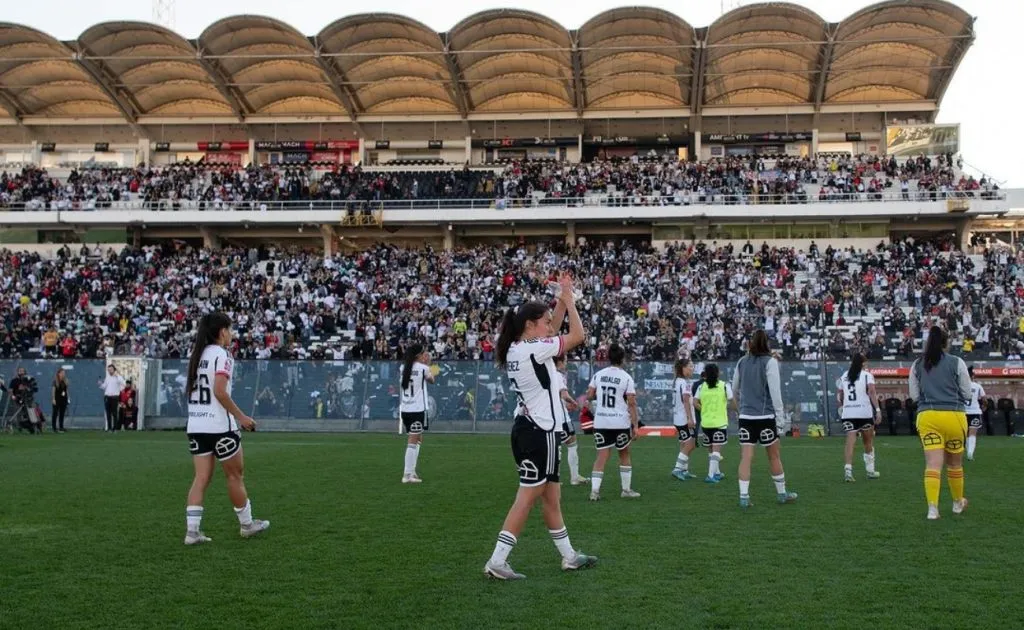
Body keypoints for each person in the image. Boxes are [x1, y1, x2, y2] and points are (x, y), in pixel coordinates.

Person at [483, 273, 596, 580]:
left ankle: (569, 556)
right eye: (544, 321)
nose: (549, 326)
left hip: (531, 429)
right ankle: (497, 561)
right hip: (539, 432)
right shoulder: (533, 349)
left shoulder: (519, 347)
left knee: (551, 497)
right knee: (527, 497)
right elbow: (577, 336)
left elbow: (555, 332)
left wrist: (562, 298)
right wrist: (570, 303)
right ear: (530, 326)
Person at [183, 311, 269, 545]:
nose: (231, 334)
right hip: (220, 426)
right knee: (234, 475)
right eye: (229, 330)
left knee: (200, 478)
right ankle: (247, 524)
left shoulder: (196, 356)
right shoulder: (222, 356)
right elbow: (219, 391)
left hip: (196, 424)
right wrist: (241, 417)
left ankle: (192, 532)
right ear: (222, 331)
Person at [909, 326, 971, 520]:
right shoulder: (957, 362)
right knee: (954, 464)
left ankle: (932, 509)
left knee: (933, 464)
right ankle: (957, 502)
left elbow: (914, 396)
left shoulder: (917, 364)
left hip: (928, 416)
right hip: (954, 416)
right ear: (946, 343)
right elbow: (968, 393)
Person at [732, 330, 797, 508]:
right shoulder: (770, 362)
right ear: (767, 343)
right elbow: (775, 393)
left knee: (746, 457)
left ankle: (744, 497)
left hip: (746, 417)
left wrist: (740, 410)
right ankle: (782, 494)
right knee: (774, 456)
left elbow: (734, 390)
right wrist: (780, 419)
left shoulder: (741, 362)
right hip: (765, 416)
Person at [587, 343, 640, 500]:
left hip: (601, 421)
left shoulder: (599, 375)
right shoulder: (626, 377)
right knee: (624, 454)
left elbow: (590, 395)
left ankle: (594, 492)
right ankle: (626, 490)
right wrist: (635, 425)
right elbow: (631, 402)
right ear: (622, 359)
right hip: (619, 422)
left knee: (601, 456)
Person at [837, 353, 881, 482]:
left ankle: (848, 471)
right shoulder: (867, 376)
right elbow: (872, 392)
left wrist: (843, 405)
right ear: (863, 363)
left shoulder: (845, 375)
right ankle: (870, 470)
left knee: (850, 441)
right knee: (868, 441)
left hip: (849, 413)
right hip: (864, 412)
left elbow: (840, 394)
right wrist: (877, 410)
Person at [399, 344, 435, 483]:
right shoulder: (423, 368)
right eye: (422, 353)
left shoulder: (403, 368)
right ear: (418, 355)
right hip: (417, 409)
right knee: (413, 441)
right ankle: (407, 474)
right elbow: (432, 379)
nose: (424, 355)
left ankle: (412, 471)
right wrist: (430, 365)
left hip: (406, 408)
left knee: (417, 438)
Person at [694, 363, 733, 484]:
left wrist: (704, 410)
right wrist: (736, 411)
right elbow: (731, 400)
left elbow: (695, 402)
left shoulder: (702, 387)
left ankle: (716, 472)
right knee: (716, 450)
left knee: (711, 449)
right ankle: (710, 475)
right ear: (717, 373)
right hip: (719, 422)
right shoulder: (724, 385)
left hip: (706, 423)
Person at [554, 354, 588, 486]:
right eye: (565, 361)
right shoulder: (557, 375)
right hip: (561, 417)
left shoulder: (547, 373)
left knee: (556, 446)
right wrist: (574, 403)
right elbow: (564, 394)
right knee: (571, 444)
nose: (566, 363)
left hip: (549, 416)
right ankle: (572, 477)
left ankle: (554, 478)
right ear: (560, 362)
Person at [670, 358, 698, 481]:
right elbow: (686, 401)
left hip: (678, 417)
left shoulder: (677, 381)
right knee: (690, 444)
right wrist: (690, 418)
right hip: (683, 419)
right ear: (683, 368)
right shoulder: (684, 383)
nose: (692, 368)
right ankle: (677, 469)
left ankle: (684, 470)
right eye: (690, 366)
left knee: (684, 443)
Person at [965, 366, 986, 461]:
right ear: (973, 376)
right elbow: (984, 399)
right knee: (972, 433)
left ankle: (966, 451)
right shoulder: (977, 386)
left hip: (962, 412)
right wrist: (984, 407)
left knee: (965, 434)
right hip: (975, 412)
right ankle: (970, 453)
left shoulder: (960, 386)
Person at [99, 365, 124, 432]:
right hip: (107, 396)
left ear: (114, 370)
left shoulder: (118, 377)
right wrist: (100, 384)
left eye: (111, 369)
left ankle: (115, 428)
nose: (110, 371)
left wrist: (117, 375)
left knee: (114, 413)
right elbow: (104, 386)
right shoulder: (107, 377)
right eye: (109, 370)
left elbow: (122, 383)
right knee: (108, 413)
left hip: (115, 397)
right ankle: (109, 428)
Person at [52, 368, 69, 433]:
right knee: (55, 413)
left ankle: (61, 427)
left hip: (63, 399)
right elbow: (53, 391)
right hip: (57, 399)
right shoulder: (55, 381)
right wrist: (53, 399)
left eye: (64, 373)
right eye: (62, 373)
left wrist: (68, 397)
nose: (63, 374)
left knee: (62, 413)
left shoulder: (65, 381)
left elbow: (66, 390)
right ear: (58, 373)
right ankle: (54, 428)